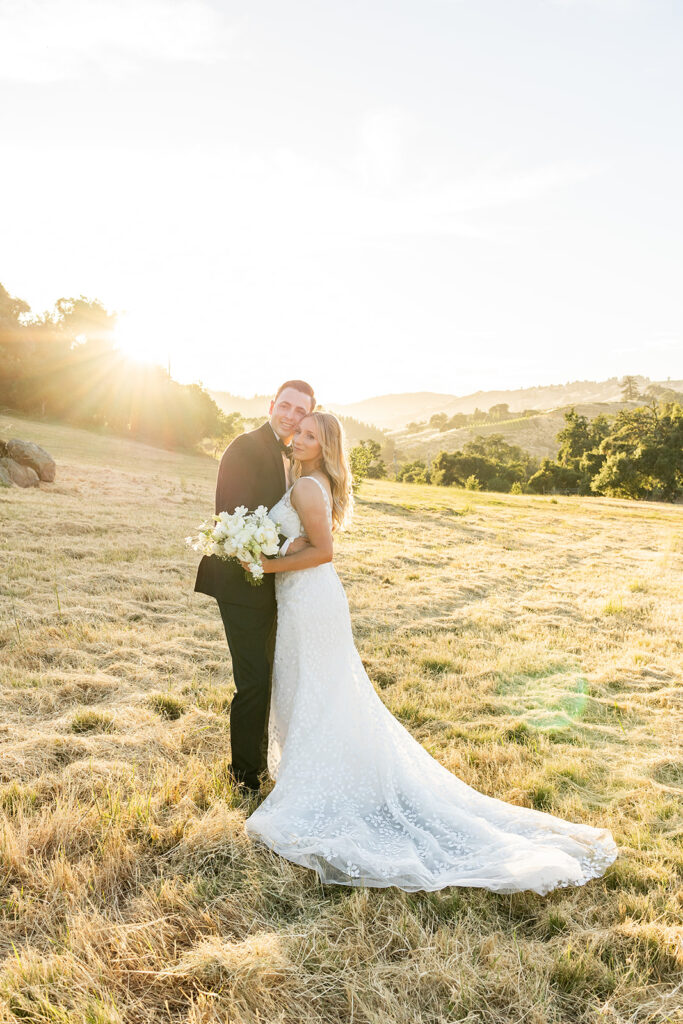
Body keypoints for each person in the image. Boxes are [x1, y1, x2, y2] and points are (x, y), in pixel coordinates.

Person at [243, 411, 618, 894]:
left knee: (319, 687)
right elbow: (307, 541)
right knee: (314, 685)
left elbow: (324, 551)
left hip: (310, 598)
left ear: (326, 445)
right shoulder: (306, 480)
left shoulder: (307, 488)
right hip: (302, 599)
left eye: (311, 435)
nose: (299, 438)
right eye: (300, 432)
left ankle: (327, 781)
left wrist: (267, 562)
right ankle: (325, 771)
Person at [194, 380, 315, 793]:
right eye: (285, 406)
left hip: (274, 583)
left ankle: (262, 762)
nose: (291, 416)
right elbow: (233, 518)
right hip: (240, 581)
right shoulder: (244, 448)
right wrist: (287, 546)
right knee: (254, 680)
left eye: (301, 411)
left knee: (269, 675)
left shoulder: (296, 456)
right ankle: (245, 777)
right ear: (271, 405)